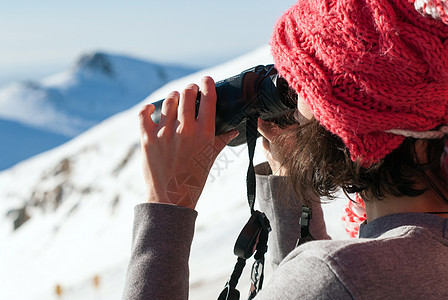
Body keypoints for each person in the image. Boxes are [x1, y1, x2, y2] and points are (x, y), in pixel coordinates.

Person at [123, 0, 448, 299]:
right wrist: (288, 181)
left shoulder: (337, 277)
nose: (294, 103)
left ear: (350, 122)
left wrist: (168, 203)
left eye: (303, 85)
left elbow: (326, 280)